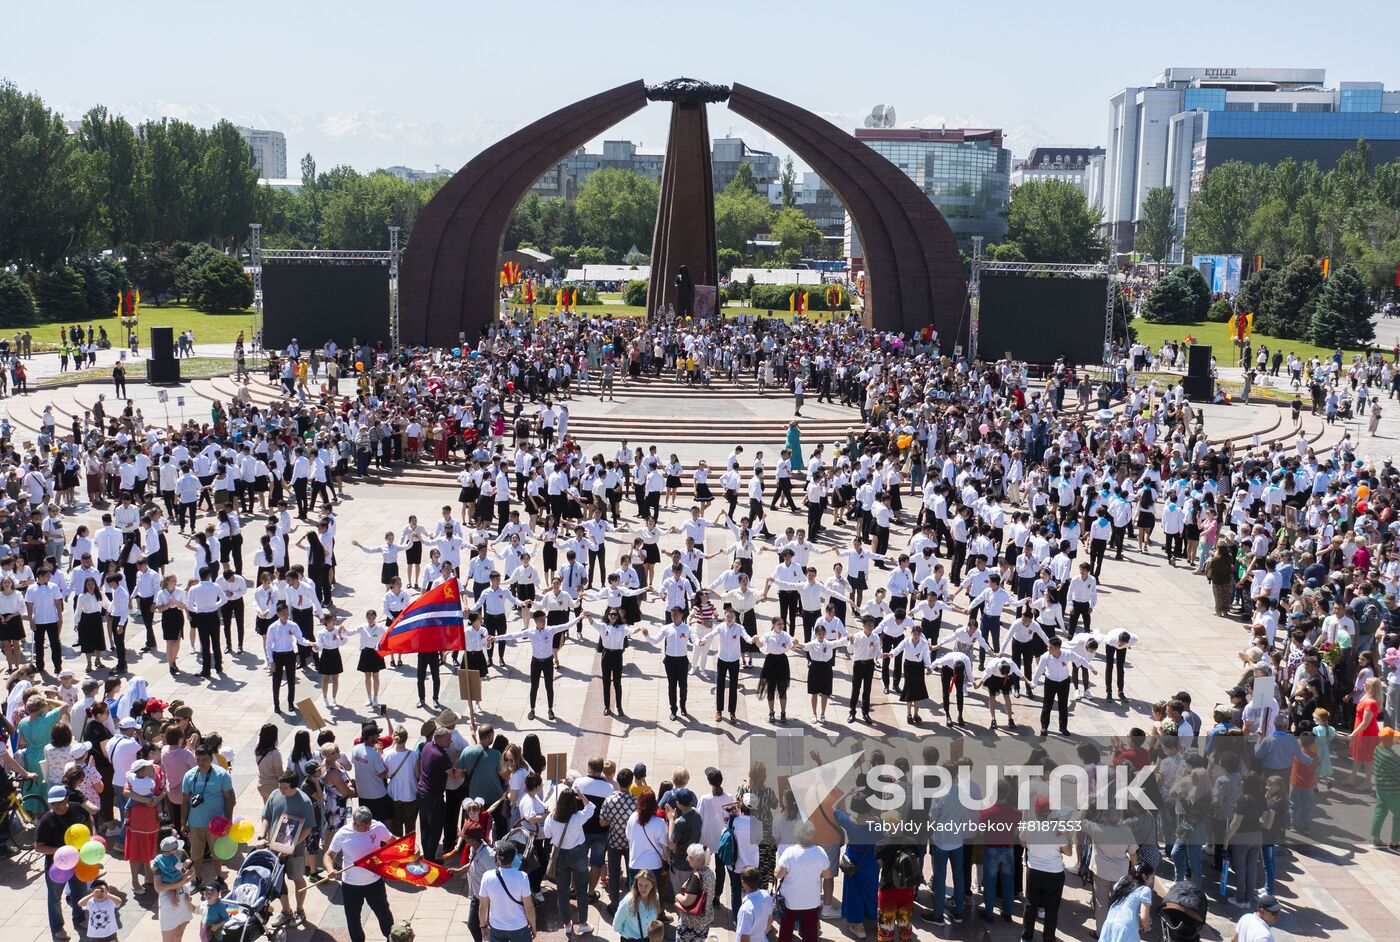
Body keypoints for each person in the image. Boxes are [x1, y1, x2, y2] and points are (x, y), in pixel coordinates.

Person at [325, 806, 397, 942]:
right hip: (351, 886)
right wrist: (330, 870)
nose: (368, 829)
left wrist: (411, 846)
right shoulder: (343, 834)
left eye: (370, 824)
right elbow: (329, 855)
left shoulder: (378, 827)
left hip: (374, 882)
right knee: (353, 918)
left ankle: (391, 938)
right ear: (355, 824)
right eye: (365, 826)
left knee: (384, 913)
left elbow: (393, 841)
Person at [36, 785, 93, 941]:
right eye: (53, 804)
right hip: (57, 867)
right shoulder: (46, 820)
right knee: (54, 898)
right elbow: (38, 847)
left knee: (79, 891)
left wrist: (90, 839)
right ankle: (57, 928)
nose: (57, 807)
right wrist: (60, 851)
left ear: (67, 799)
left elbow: (88, 822)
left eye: (60, 802)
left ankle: (80, 918)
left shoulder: (78, 809)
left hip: (77, 863)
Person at [260, 769, 315, 925]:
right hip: (274, 849)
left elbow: (308, 828)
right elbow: (267, 817)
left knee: (297, 878)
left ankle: (300, 910)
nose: (281, 790)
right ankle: (286, 911)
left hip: (295, 851)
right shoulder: (275, 794)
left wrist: (290, 846)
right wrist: (261, 835)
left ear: (294, 786)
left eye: (284, 787)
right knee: (278, 881)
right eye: (280, 786)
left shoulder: (304, 801)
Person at [181, 744, 236, 887]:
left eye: (204, 759)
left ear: (211, 759)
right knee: (196, 854)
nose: (201, 763)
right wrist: (183, 822)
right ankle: (197, 879)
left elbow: (229, 798)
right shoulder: (189, 775)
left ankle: (219, 878)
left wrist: (228, 820)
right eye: (198, 759)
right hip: (195, 823)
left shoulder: (222, 774)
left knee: (217, 853)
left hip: (216, 824)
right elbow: (185, 800)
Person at [774, 820, 829, 942]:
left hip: (790, 900)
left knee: (786, 928)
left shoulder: (789, 852)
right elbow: (827, 874)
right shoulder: (820, 851)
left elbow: (777, 874)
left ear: (796, 833)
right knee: (810, 930)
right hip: (811, 899)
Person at [479, 842, 537, 942]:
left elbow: (482, 907)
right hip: (519, 927)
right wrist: (533, 926)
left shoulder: (487, 877)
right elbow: (529, 907)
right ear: (514, 858)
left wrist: (483, 926)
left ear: (497, 857)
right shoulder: (522, 877)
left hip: (497, 927)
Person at [610, 866, 661, 942]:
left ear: (652, 885)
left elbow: (656, 916)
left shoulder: (656, 897)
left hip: (647, 939)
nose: (643, 889)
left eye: (646, 885)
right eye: (640, 884)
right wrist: (627, 934)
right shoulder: (628, 901)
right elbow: (616, 925)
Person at [734, 866, 774, 942]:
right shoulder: (766, 895)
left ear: (743, 883)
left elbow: (744, 938)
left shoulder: (746, 909)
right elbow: (770, 919)